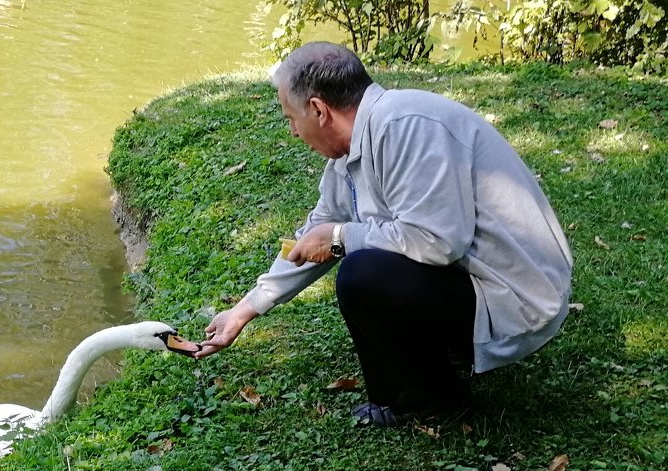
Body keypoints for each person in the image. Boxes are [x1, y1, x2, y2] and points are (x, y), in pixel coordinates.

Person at [192, 41, 574, 427]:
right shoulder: (356, 147)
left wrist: (341, 237)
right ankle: (438, 360)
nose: (292, 131)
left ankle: (432, 401)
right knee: (368, 265)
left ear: (318, 110)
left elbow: (438, 241)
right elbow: (313, 234)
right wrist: (243, 312)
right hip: (475, 279)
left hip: (519, 297)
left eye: (291, 117)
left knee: (364, 274)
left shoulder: (406, 125)